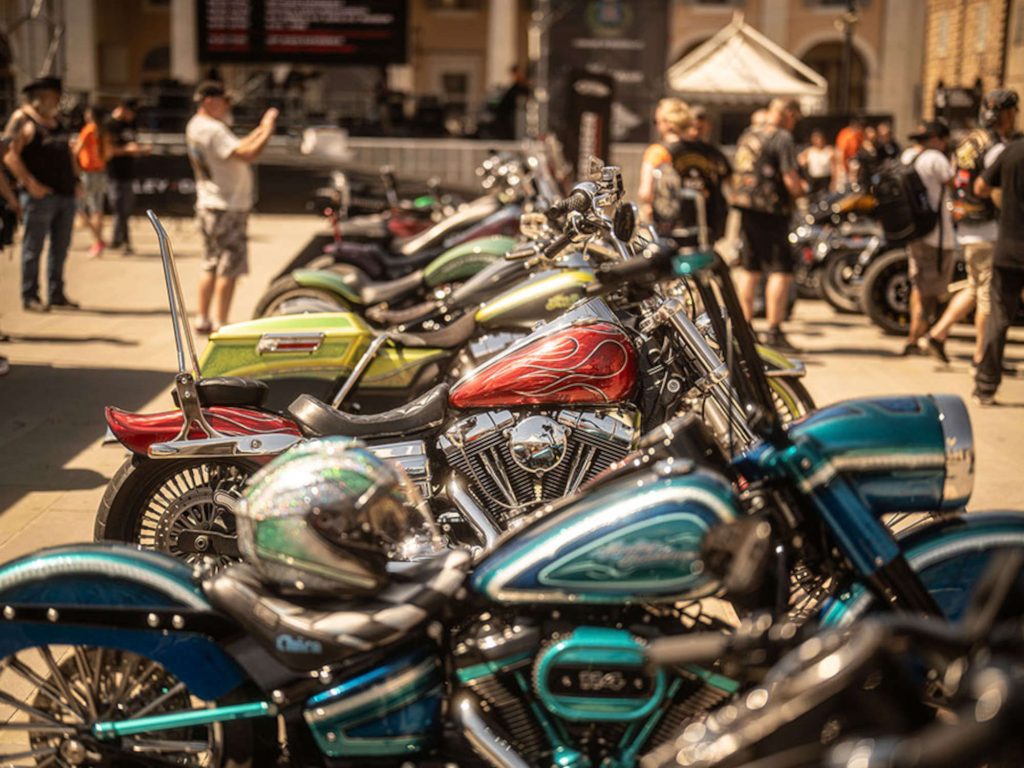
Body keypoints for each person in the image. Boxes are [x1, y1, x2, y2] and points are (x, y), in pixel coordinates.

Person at [920, 90, 1019, 366]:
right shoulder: (997, 146)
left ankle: (937, 334)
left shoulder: (968, 140)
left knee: (976, 286)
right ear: (1007, 114)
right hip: (988, 229)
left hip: (966, 225)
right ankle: (981, 357)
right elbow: (987, 188)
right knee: (988, 296)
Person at [186, 80, 278, 332]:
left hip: (211, 203)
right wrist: (267, 130)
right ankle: (220, 322)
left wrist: (261, 128)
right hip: (226, 205)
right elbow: (247, 154)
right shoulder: (213, 130)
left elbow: (238, 147)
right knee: (229, 266)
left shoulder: (198, 126)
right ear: (209, 101)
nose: (228, 106)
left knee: (211, 263)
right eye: (224, 101)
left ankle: (203, 318)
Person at [731, 97, 807, 351]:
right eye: (795, 119)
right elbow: (790, 179)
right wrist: (801, 191)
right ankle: (775, 329)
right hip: (772, 210)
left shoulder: (749, 134)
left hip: (747, 207)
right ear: (787, 115)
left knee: (750, 268)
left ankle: (744, 328)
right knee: (780, 270)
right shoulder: (783, 138)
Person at [4, 76, 78, 311]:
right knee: (33, 248)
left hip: (65, 193)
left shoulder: (57, 121)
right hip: (39, 197)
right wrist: (29, 183)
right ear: (41, 97)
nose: (57, 101)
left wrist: (76, 179)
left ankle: (56, 292)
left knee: (60, 247)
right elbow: (9, 155)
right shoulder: (23, 120)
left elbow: (67, 153)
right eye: (53, 96)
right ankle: (30, 295)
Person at [972, 124, 1024, 405]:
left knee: (999, 317)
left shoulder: (1011, 151)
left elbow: (980, 186)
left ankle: (985, 385)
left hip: (1008, 248)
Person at [637, 97, 731, 243]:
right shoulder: (708, 151)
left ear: (666, 124)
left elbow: (645, 193)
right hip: (705, 224)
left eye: (657, 122)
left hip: (669, 225)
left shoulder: (658, 152)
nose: (656, 126)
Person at [899, 120, 955, 356]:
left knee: (919, 285)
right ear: (938, 139)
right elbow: (955, 185)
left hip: (914, 232)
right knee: (930, 290)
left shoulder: (908, 157)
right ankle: (918, 338)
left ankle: (916, 335)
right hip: (936, 235)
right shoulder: (936, 159)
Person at [104, 95, 150, 255]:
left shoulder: (131, 122)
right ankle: (122, 241)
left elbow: (133, 143)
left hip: (129, 173)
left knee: (126, 210)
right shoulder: (110, 125)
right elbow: (107, 151)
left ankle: (120, 240)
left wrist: (140, 149)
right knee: (119, 210)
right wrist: (127, 150)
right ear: (123, 109)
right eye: (131, 112)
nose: (134, 115)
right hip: (114, 174)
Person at [74, 105, 107, 258]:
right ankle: (98, 241)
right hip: (100, 172)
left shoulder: (88, 130)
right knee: (97, 208)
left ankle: (98, 240)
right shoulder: (102, 130)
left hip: (88, 173)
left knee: (80, 208)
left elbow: (76, 150)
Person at [798, 129, 835, 194]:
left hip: (826, 179)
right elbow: (800, 162)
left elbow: (834, 167)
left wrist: (833, 181)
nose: (818, 141)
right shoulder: (809, 151)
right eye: (816, 139)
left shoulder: (829, 150)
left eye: (819, 138)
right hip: (813, 180)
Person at [834, 116, 864, 188]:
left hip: (854, 162)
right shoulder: (845, 134)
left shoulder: (859, 134)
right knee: (842, 186)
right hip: (845, 163)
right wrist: (840, 166)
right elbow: (840, 151)